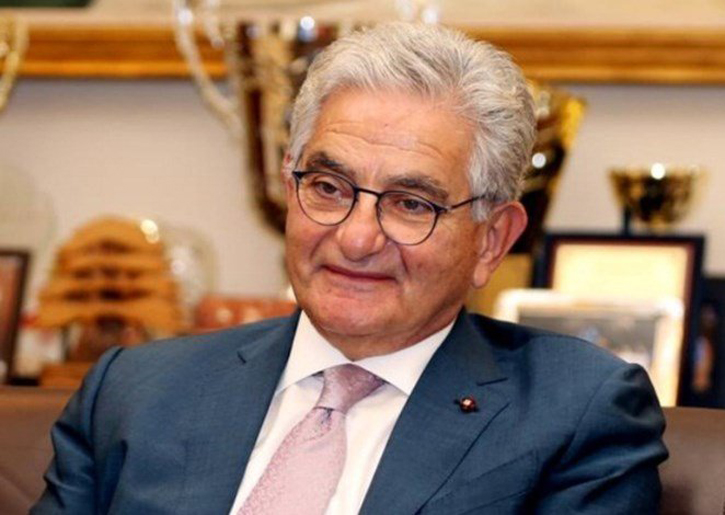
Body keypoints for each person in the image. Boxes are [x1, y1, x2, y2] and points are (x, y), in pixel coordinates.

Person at [32, 22, 667, 515]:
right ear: (289, 186)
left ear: (492, 241)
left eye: (412, 203)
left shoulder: (574, 414)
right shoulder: (136, 392)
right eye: (330, 188)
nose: (357, 238)